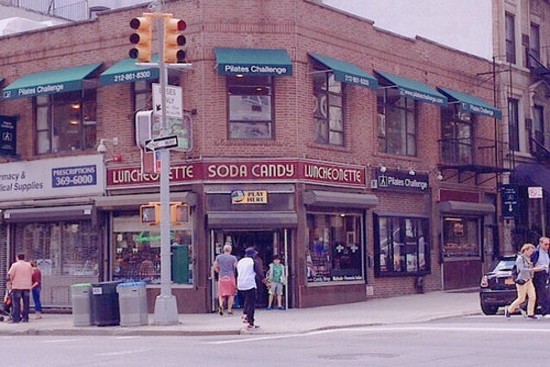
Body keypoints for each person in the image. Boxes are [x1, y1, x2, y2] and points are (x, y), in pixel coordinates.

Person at [505, 243, 542, 320]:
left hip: (529, 280)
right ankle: (509, 310)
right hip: (522, 280)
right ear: (525, 250)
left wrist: (536, 269)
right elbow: (522, 270)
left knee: (532, 296)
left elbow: (529, 269)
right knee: (521, 298)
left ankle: (530, 313)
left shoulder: (528, 259)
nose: (531, 253)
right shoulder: (520, 259)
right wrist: (534, 269)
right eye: (530, 251)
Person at [237, 247, 267, 330]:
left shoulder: (240, 261)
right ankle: (250, 321)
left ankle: (246, 314)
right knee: (251, 302)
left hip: (240, 284)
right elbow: (259, 272)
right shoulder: (253, 261)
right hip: (249, 284)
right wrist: (264, 281)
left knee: (247, 300)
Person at [7, 253, 33, 323]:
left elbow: (11, 275)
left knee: (16, 303)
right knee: (26, 303)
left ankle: (16, 318)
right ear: (24, 258)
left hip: (17, 286)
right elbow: (32, 273)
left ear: (17, 258)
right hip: (27, 286)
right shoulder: (29, 265)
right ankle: (25, 318)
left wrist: (11, 282)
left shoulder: (15, 265)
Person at [213, 244, 238, 315]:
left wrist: (219, 272)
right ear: (230, 250)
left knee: (221, 293)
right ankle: (229, 309)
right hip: (230, 277)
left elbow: (214, 266)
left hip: (222, 277)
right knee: (231, 294)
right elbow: (236, 266)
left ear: (224, 250)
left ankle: (221, 306)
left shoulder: (218, 257)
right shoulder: (233, 258)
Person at [531, 236, 550, 316]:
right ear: (540, 243)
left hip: (546, 274)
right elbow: (531, 263)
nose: (547, 246)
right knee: (543, 293)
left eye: (548, 244)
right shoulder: (536, 253)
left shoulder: (547, 253)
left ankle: (530, 310)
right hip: (538, 274)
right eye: (545, 244)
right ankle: (545, 311)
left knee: (539, 294)